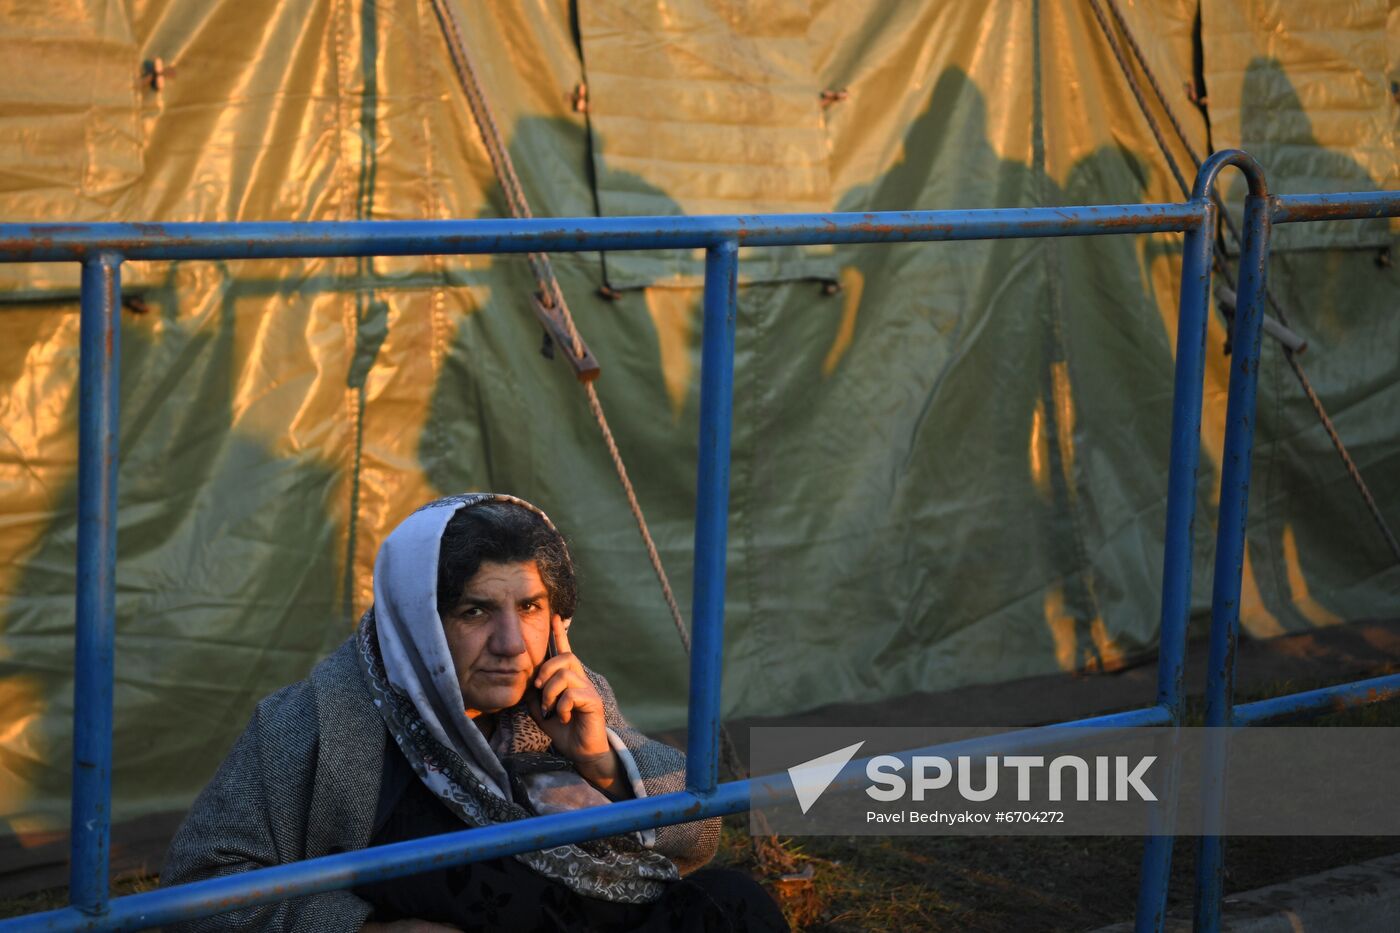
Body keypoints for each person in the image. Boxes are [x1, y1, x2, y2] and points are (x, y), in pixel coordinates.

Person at [162, 493, 788, 932]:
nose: (513, 644)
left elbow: (697, 839)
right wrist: (367, 932)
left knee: (733, 904)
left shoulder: (560, 697)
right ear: (418, 621)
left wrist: (602, 764)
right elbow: (200, 891)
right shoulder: (318, 722)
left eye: (533, 608)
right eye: (476, 611)